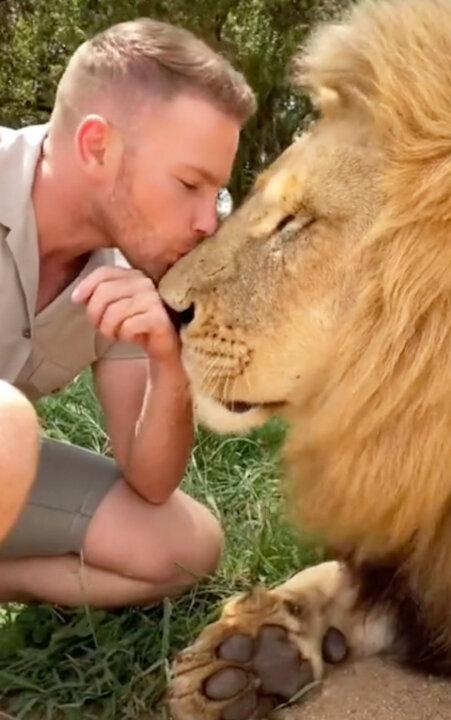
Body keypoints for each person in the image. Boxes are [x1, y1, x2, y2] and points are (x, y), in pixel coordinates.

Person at [0, 18, 255, 607]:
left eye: (213, 194)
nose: (207, 224)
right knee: (10, 425)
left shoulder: (125, 271)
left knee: (182, 548)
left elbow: (151, 481)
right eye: (189, 183)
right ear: (97, 146)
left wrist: (167, 359)